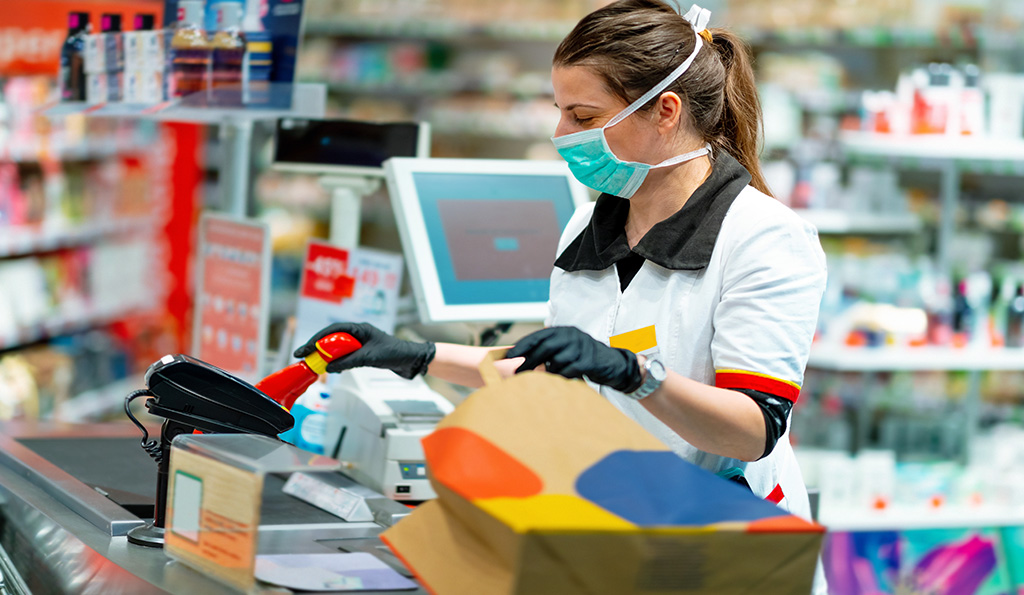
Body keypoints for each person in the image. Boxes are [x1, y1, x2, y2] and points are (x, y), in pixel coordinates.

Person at [296, 1, 827, 592]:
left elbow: (752, 430)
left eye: (582, 116)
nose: (561, 136)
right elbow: (550, 373)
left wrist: (635, 374)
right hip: (609, 533)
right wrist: (413, 356)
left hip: (719, 550)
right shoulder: (587, 229)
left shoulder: (763, 237)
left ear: (665, 113)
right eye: (560, 113)